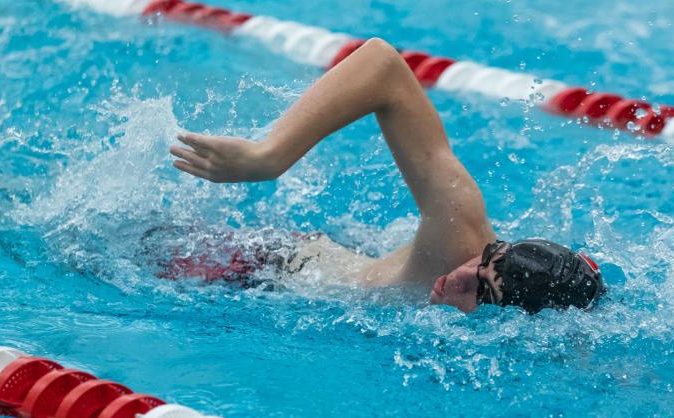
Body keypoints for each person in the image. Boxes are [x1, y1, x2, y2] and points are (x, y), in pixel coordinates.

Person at [169, 38, 604, 314]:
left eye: (483, 293)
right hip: (254, 266)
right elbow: (382, 66)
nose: (459, 276)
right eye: (484, 261)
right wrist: (269, 158)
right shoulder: (459, 235)